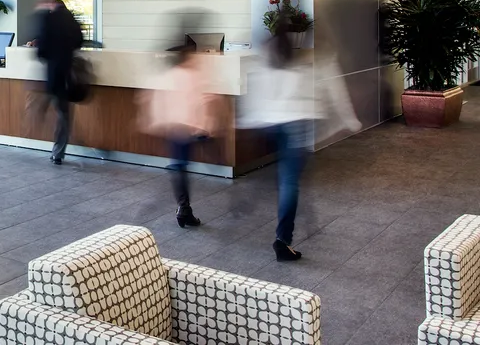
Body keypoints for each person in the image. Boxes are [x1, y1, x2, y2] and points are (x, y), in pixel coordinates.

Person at [239, 17, 359, 261]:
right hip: (298, 124)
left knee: (285, 178)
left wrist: (248, 120)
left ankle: (273, 208)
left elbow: (254, 90)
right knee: (290, 181)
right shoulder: (311, 60)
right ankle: (283, 240)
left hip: (273, 124)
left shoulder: (269, 54)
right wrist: (350, 121)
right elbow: (335, 91)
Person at [140, 46, 216, 228]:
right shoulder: (192, 76)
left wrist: (156, 121)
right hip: (186, 127)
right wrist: (205, 126)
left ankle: (184, 208)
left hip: (175, 127)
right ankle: (184, 209)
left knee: (179, 165)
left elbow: (156, 99)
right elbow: (201, 101)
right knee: (180, 165)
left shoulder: (169, 76)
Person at [35, 0, 86, 165]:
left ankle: (34, 128)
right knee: (63, 114)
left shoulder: (48, 19)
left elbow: (41, 50)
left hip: (52, 74)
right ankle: (58, 151)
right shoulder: (71, 18)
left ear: (50, 3)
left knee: (46, 106)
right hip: (67, 75)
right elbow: (80, 41)